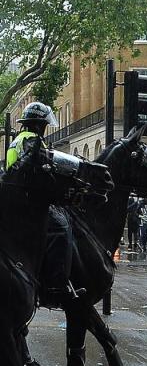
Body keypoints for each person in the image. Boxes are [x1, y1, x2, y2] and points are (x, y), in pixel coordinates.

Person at [7, 103, 78, 304]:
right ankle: (56, 284)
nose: (45, 129)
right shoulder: (33, 141)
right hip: (29, 200)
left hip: (16, 197)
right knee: (61, 229)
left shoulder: (17, 140)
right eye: (44, 125)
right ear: (39, 125)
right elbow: (44, 170)